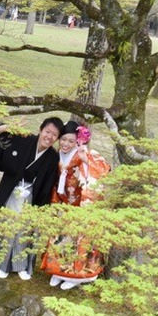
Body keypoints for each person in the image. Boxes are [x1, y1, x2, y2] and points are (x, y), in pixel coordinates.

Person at [0, 117, 63, 279]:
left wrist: (41, 211)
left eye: (54, 135)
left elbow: (47, 185)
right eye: (47, 132)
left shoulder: (52, 157)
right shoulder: (24, 140)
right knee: (6, 226)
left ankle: (21, 266)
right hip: (11, 192)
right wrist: (7, 127)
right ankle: (2, 263)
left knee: (25, 230)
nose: (49, 137)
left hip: (30, 196)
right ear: (40, 130)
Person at [39, 120, 111, 290]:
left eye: (71, 141)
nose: (66, 144)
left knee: (79, 240)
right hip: (62, 203)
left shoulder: (84, 153)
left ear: (78, 141)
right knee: (60, 238)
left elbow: (104, 169)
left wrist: (86, 159)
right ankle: (58, 271)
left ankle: (78, 275)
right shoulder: (57, 155)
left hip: (80, 205)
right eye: (63, 139)